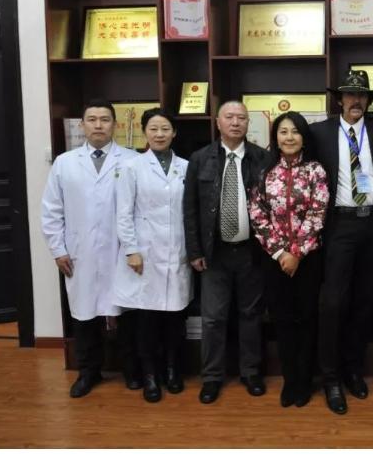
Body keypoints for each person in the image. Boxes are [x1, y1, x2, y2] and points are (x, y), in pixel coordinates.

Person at [41, 99, 140, 397]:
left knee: (128, 315)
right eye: (92, 119)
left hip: (122, 253)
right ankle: (88, 372)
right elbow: (51, 210)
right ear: (82, 125)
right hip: (79, 253)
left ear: (115, 125)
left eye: (105, 119)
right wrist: (58, 249)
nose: (98, 125)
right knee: (84, 316)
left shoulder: (132, 160)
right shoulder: (65, 163)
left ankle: (132, 370)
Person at [311, 70, 373, 415]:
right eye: (349, 95)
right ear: (339, 100)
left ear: (368, 101)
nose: (356, 101)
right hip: (339, 225)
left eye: (361, 96)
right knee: (333, 303)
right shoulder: (319, 133)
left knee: (364, 302)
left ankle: (353, 370)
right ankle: (330, 377)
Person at [183, 100, 271, 404]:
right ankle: (211, 377)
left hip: (252, 252)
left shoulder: (262, 158)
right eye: (229, 117)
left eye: (241, 118)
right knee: (213, 318)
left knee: (251, 315)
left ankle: (251, 372)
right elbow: (190, 209)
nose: (235, 122)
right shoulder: (200, 159)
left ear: (248, 123)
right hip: (214, 253)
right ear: (218, 122)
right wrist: (194, 250)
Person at [249, 112, 329, 408]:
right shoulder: (264, 171)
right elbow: (257, 215)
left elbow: (318, 214)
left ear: (304, 137)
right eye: (283, 132)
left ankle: (305, 381)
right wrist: (281, 252)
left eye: (295, 131)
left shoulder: (315, 170)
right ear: (276, 137)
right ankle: (290, 380)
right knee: (282, 320)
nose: (289, 137)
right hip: (275, 260)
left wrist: (296, 253)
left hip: (308, 259)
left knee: (307, 319)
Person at [113, 108, 192, 403]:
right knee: (147, 321)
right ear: (144, 132)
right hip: (145, 255)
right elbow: (123, 213)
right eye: (153, 129)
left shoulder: (186, 167)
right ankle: (150, 376)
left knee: (175, 319)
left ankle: (172, 371)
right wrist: (131, 250)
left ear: (174, 132)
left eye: (165, 129)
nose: (159, 134)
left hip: (178, 252)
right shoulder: (132, 167)